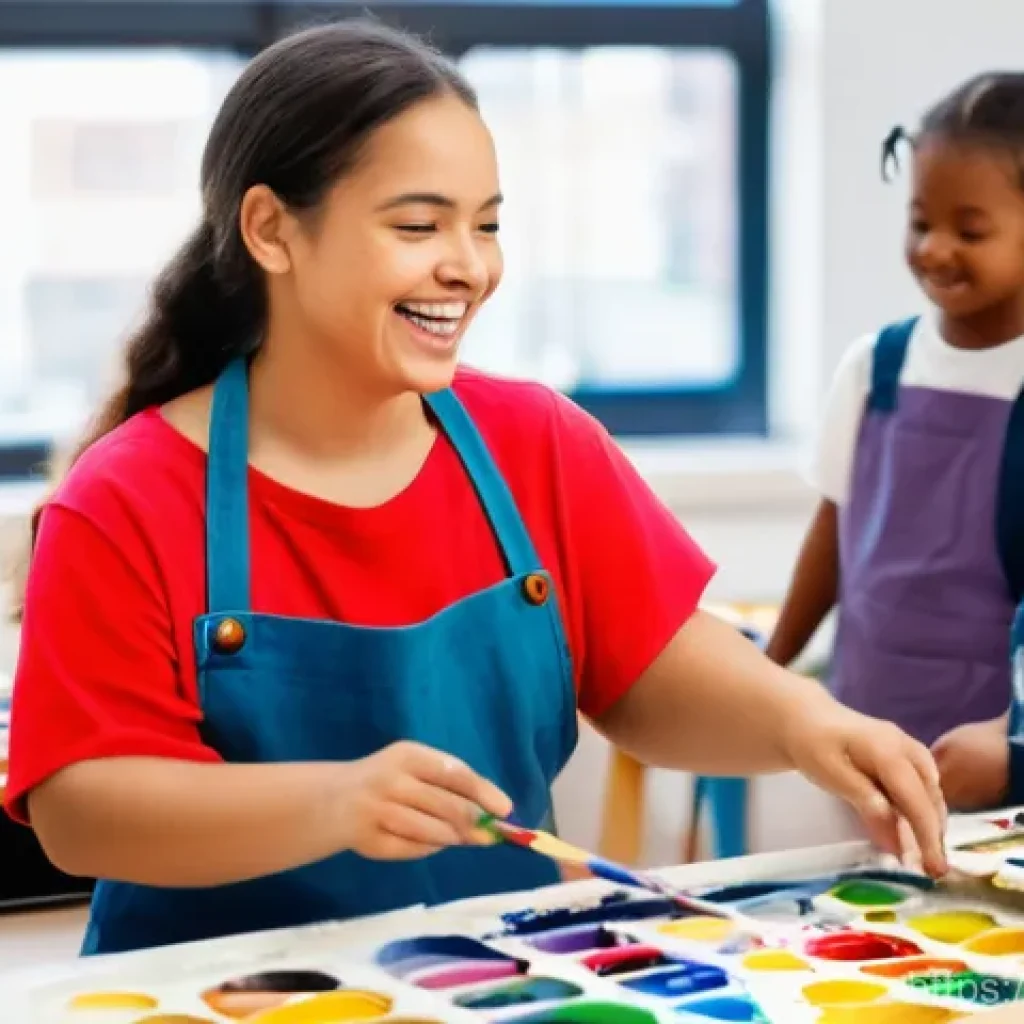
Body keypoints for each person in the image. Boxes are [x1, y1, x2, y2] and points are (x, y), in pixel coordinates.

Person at [6, 20, 945, 958]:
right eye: (418, 225)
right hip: (216, 996)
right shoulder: (126, 497)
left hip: (492, 978)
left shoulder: (536, 442)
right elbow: (83, 808)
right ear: (270, 230)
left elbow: (647, 666)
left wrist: (803, 722)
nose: (470, 265)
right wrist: (331, 802)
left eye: (486, 224)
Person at [767, 72, 1024, 758]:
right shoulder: (875, 365)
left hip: (995, 747)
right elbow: (833, 534)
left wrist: (1009, 751)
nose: (934, 248)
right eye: (920, 223)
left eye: (969, 229)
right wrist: (771, 668)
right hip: (867, 728)